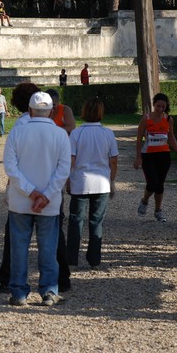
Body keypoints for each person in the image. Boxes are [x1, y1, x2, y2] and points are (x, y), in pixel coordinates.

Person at [0, 82, 72, 295]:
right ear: (52, 111)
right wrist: (46, 194)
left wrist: (30, 191)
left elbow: (11, 167)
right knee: (48, 248)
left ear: (30, 109)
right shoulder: (61, 134)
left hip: (21, 199)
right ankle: (50, 290)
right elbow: (63, 170)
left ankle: (18, 290)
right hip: (49, 202)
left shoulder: (18, 132)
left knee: (19, 249)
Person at [65, 98, 119, 270]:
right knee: (96, 221)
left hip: (80, 181)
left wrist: (67, 180)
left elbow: (70, 160)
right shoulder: (108, 133)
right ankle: (94, 258)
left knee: (75, 220)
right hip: (101, 182)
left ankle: (72, 256)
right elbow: (114, 161)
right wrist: (112, 181)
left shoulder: (76, 133)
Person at [134, 93, 177, 222]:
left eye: (163, 107)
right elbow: (139, 138)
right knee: (152, 182)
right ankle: (145, 201)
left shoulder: (168, 119)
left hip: (164, 155)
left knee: (160, 185)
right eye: (158, 106)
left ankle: (158, 210)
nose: (161, 109)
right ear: (154, 105)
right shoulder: (146, 119)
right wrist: (138, 157)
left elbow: (171, 137)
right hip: (148, 155)